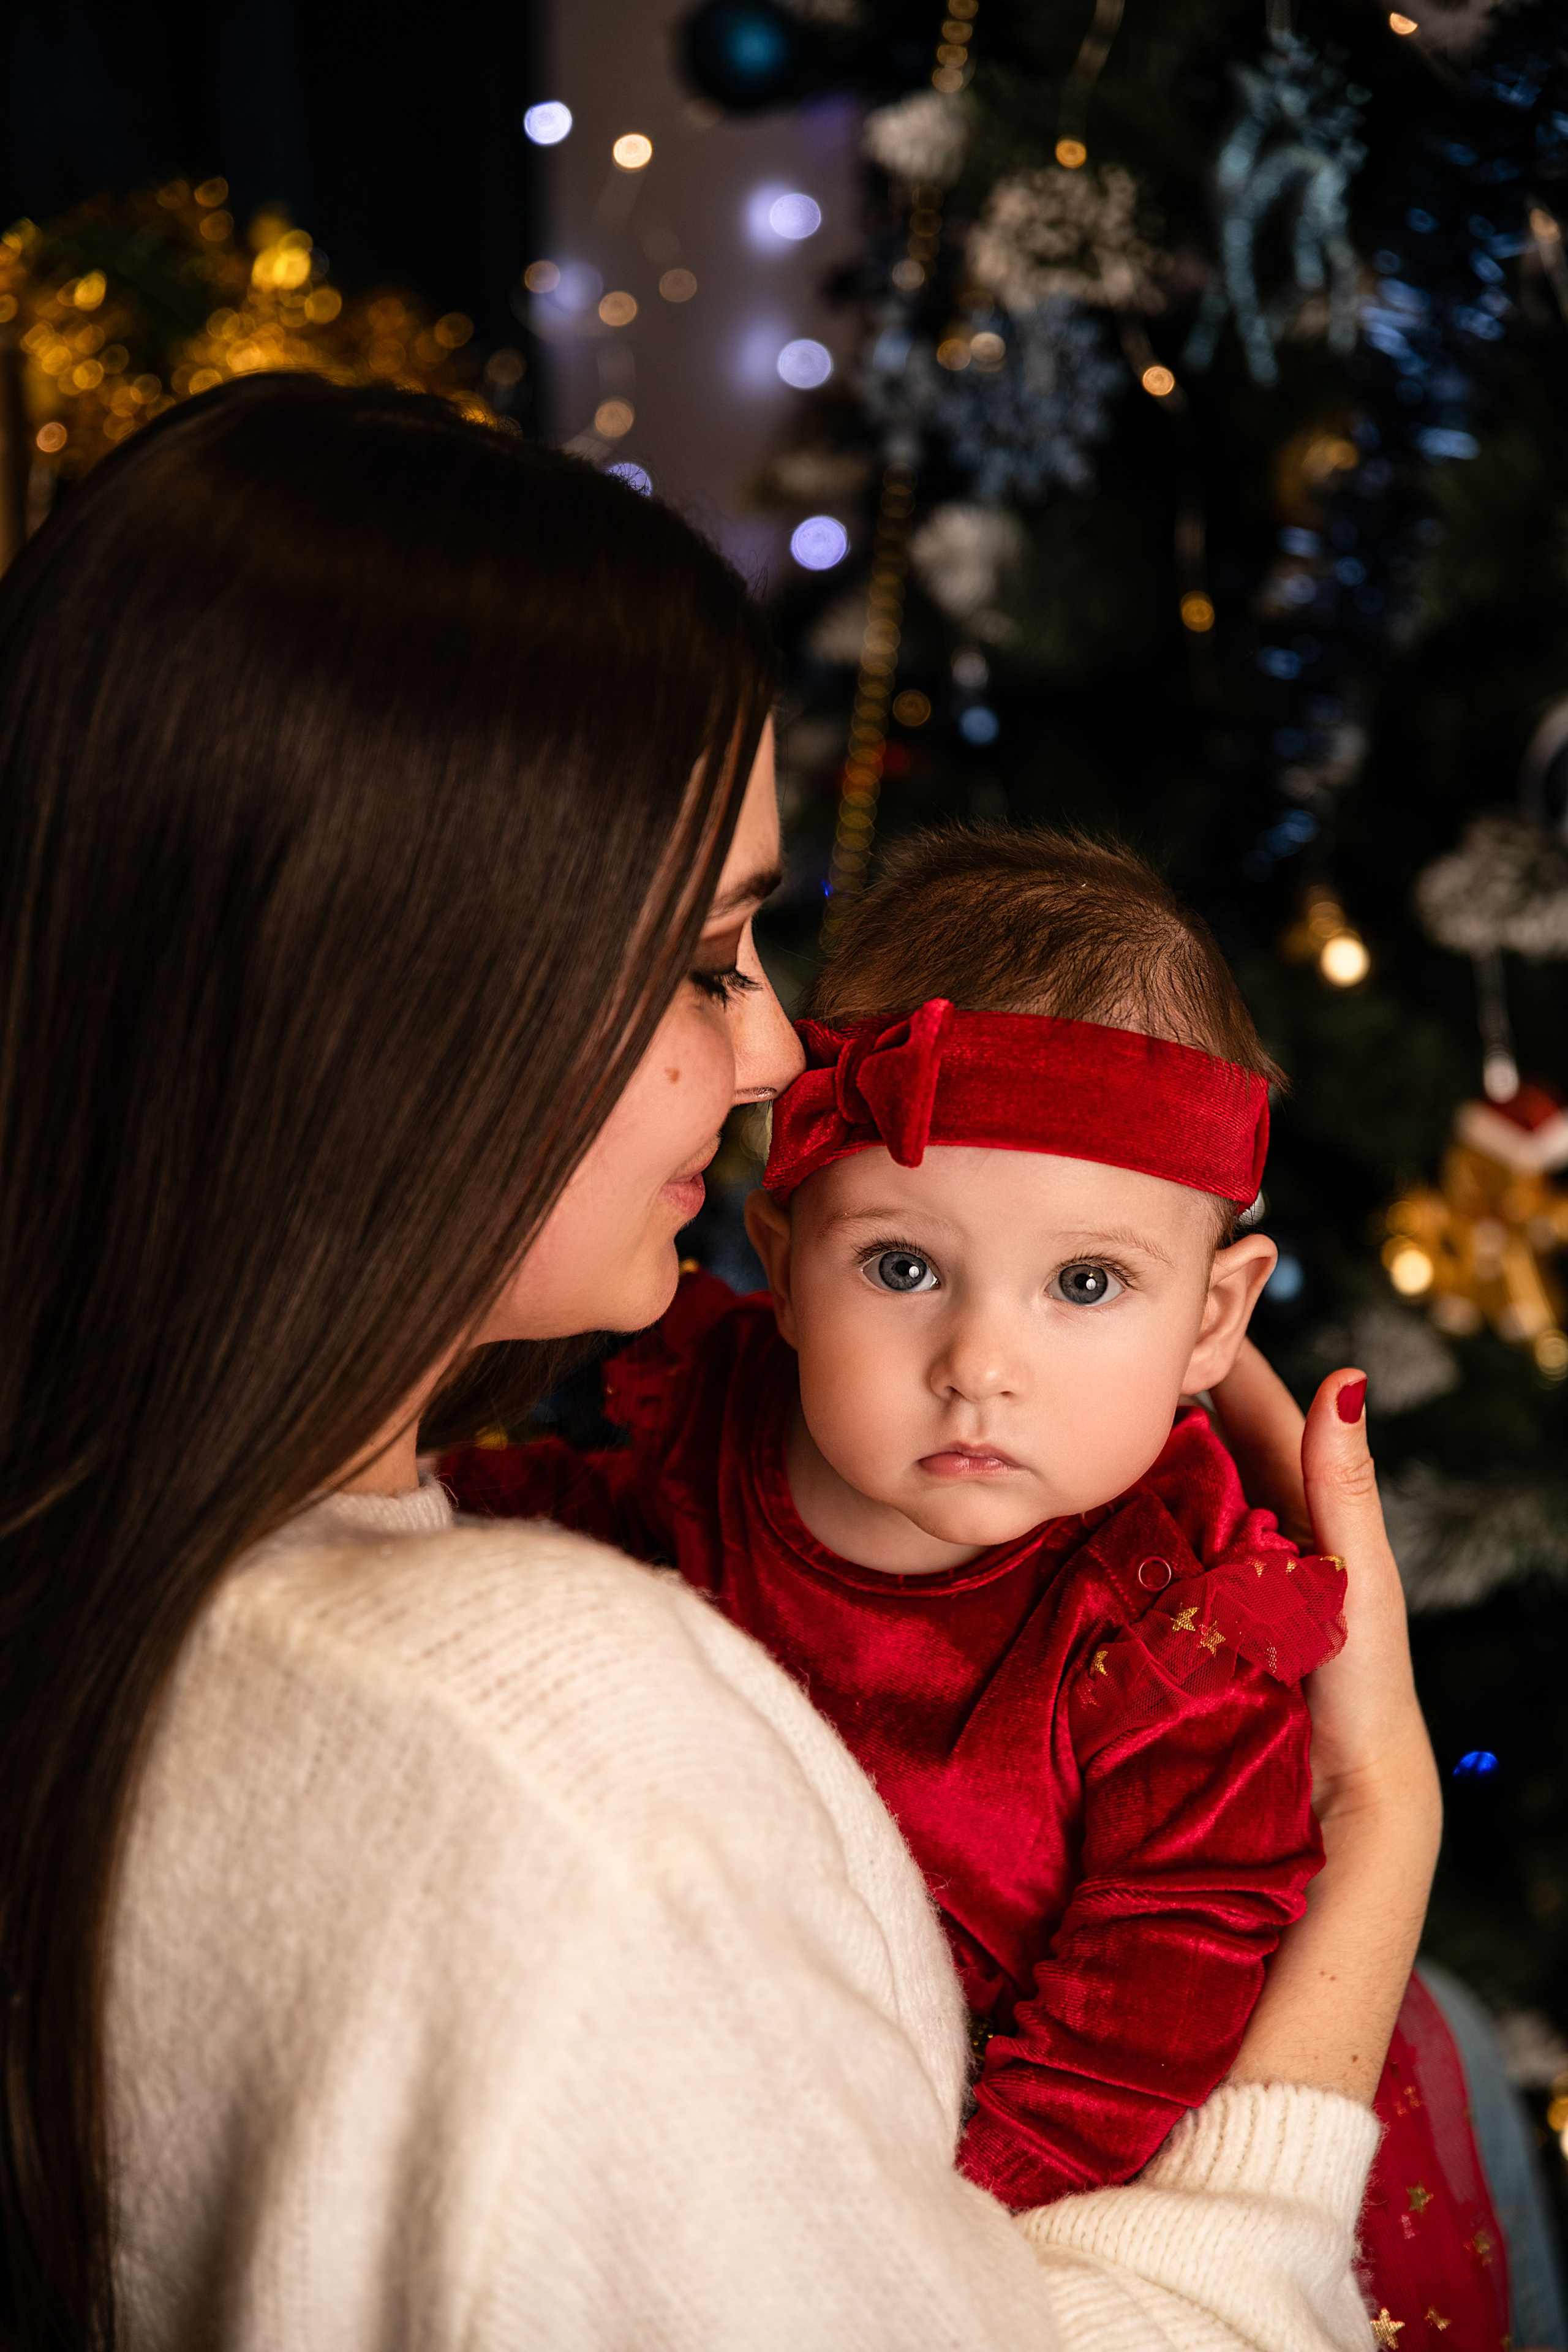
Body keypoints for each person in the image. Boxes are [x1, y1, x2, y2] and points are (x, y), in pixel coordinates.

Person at [0, 372, 1438, 2351]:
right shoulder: (566, 1774)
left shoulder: (129, 1569)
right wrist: (1384, 1837)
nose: (773, 1059)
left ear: (1217, 1306)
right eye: (705, 964)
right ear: (394, 1009)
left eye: (1088, 1286)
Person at [444, 827, 1502, 2348]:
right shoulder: (723, 1426)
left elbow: (1151, 1988)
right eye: (901, 1268)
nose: (979, 1366)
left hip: (1085, 2164)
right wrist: (410, 1509)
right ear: (781, 1260)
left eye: (1085, 1284)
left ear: (1213, 1319)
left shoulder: (1175, 1619)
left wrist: (941, 2220)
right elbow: (570, 1544)